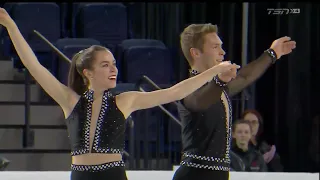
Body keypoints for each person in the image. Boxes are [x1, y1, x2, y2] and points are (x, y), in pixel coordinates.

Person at [0, 8, 240, 180]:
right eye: (105, 65)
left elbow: (175, 91)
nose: (114, 69)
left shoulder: (125, 100)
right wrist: (11, 25)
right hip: (80, 175)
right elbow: (34, 66)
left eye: (114, 64)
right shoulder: (70, 101)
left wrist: (215, 73)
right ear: (87, 73)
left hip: (112, 174)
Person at [172, 23, 296, 180]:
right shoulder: (189, 88)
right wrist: (220, 81)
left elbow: (245, 77)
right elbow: (199, 102)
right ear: (196, 53)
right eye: (215, 47)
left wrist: (273, 53)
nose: (222, 52)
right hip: (194, 175)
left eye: (221, 46)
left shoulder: (219, 87)